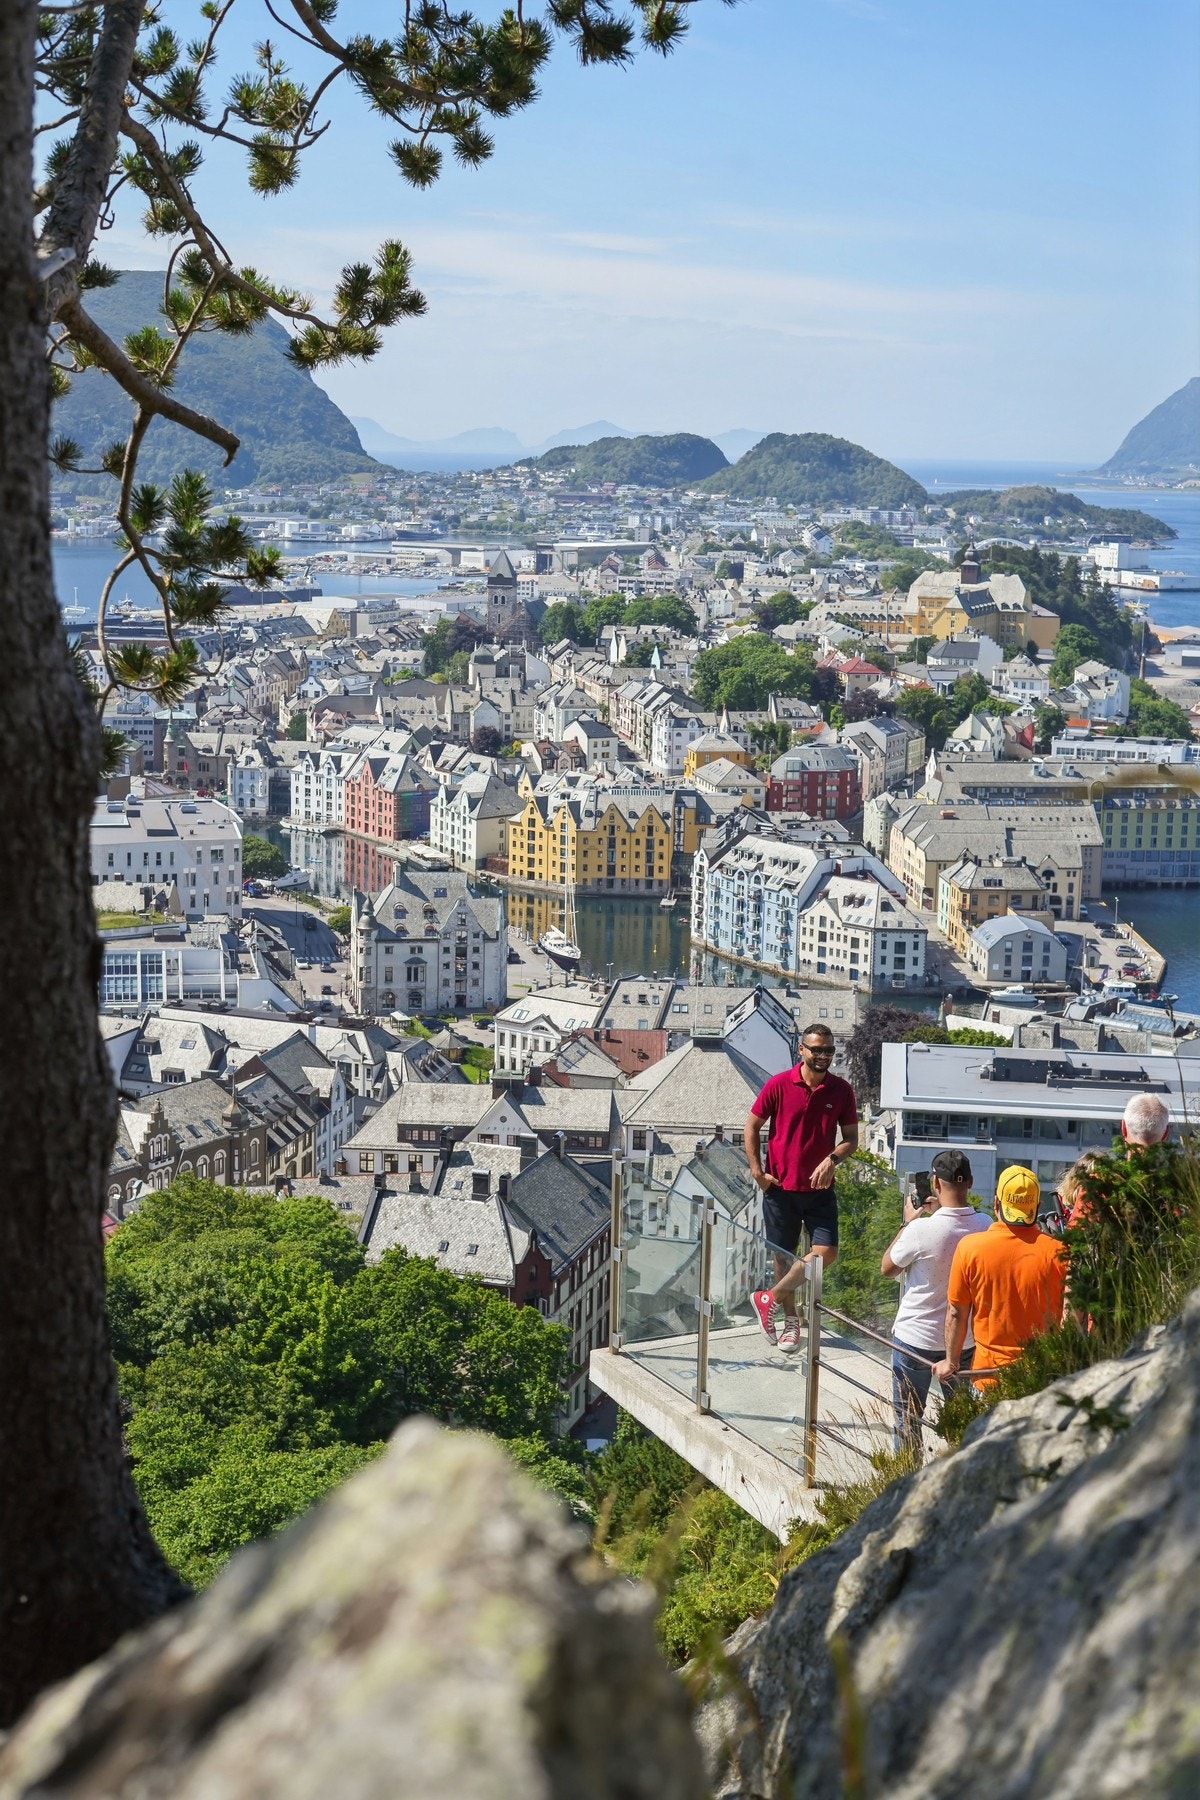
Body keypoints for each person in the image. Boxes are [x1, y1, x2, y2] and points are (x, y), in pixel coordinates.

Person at [744, 1023, 858, 1354]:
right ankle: (790, 1322)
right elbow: (751, 1126)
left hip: (821, 1190)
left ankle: (769, 1299)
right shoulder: (779, 1084)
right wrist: (757, 1173)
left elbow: (851, 1139)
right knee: (784, 1259)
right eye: (817, 1049)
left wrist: (832, 1159)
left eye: (829, 1051)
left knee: (827, 1253)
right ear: (802, 1050)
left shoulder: (841, 1090)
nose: (823, 1056)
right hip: (780, 1189)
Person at [881, 1149, 989, 1453]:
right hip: (963, 1342)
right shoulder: (985, 1225)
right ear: (970, 1181)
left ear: (935, 1185)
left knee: (907, 1421)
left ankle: (905, 1484)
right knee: (961, 1420)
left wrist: (908, 1222)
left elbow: (887, 1268)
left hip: (914, 1339)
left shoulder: (919, 1229)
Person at [935, 1165, 1067, 1387]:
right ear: (1037, 1206)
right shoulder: (1061, 1254)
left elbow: (957, 1313)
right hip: (1042, 1376)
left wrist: (951, 1361)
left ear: (997, 1203)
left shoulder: (970, 1248)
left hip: (988, 1376)